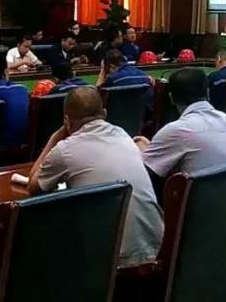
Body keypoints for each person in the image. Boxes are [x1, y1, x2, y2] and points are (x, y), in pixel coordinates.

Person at [28, 87, 163, 267]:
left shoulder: (65, 150)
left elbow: (33, 185)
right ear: (104, 114)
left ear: (67, 121)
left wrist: (54, 138)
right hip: (157, 247)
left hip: (112, 262)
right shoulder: (122, 135)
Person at [134, 68, 226, 179]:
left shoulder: (176, 130)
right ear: (207, 93)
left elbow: (141, 171)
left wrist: (135, 149)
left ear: (171, 98)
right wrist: (154, 148)